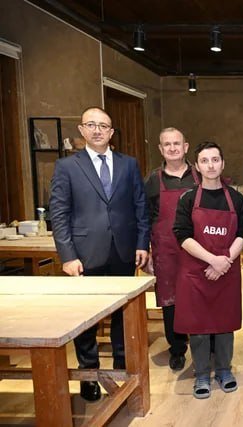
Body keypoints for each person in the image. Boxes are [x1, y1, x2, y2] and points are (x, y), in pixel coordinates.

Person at [49, 107, 150, 402]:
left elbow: (140, 206)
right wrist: (67, 256)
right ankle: (89, 372)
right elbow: (59, 213)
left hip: (123, 250)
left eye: (103, 126)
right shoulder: (67, 166)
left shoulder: (128, 164)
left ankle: (121, 368)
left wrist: (142, 243)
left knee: (122, 315)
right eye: (91, 125)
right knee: (86, 317)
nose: (97, 130)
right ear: (82, 130)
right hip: (84, 254)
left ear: (111, 132)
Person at [173, 141, 243, 399]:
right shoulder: (188, 199)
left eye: (215, 160)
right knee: (198, 326)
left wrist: (224, 260)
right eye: (205, 161)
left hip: (226, 271)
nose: (211, 165)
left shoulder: (236, 199)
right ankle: (202, 373)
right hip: (197, 273)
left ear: (222, 163)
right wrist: (212, 260)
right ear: (197, 166)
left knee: (225, 324)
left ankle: (225, 370)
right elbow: (182, 235)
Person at [144, 127, 199, 372]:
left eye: (177, 143)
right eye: (167, 144)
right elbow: (144, 217)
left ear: (185, 147)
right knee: (170, 301)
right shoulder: (152, 180)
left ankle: (201, 346)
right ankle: (176, 348)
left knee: (198, 296)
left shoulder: (199, 175)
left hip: (197, 248)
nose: (173, 148)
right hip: (165, 250)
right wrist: (145, 250)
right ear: (161, 149)